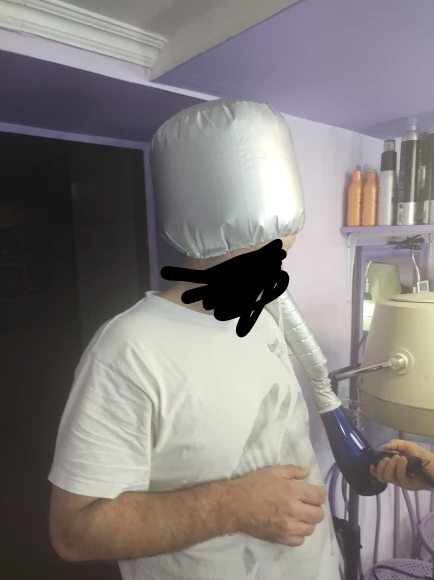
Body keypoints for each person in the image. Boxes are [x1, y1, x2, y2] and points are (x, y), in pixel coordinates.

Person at [48, 99, 340, 580]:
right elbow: (74, 532)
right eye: (262, 249)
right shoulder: (128, 351)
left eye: (285, 247)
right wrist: (231, 506)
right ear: (205, 234)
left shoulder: (265, 316)